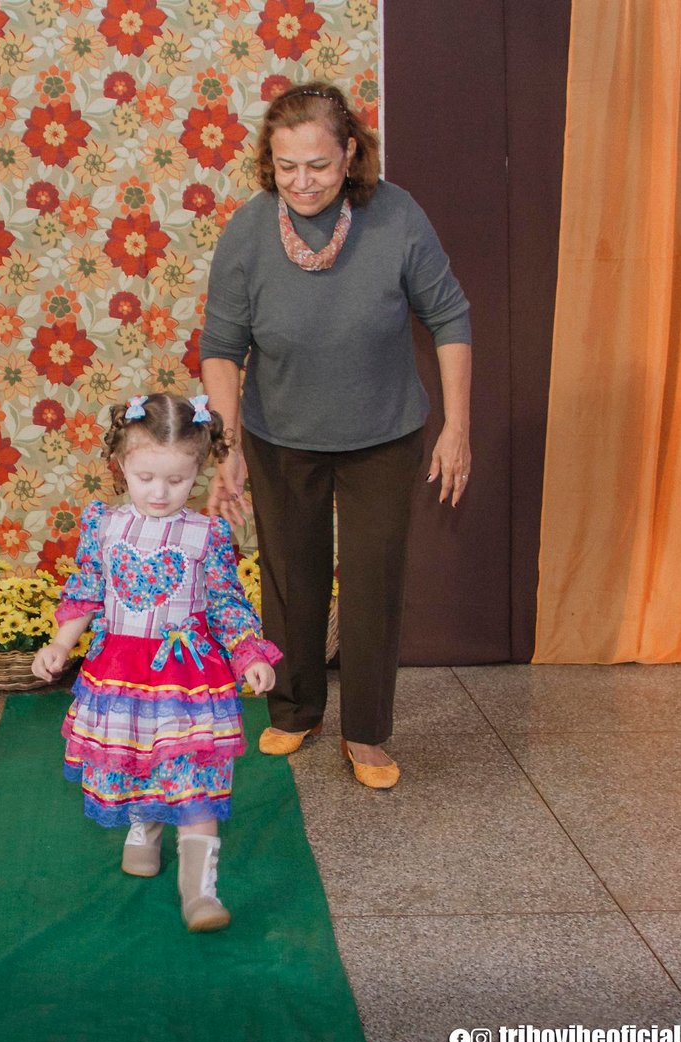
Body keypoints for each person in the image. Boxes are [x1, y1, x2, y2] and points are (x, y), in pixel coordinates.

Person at [200, 81, 472, 790]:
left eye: (318, 164)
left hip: (384, 434)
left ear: (350, 154)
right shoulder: (248, 230)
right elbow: (222, 347)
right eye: (287, 165)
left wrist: (457, 427)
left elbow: (450, 317)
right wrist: (227, 445)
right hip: (280, 435)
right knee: (292, 575)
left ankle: (368, 732)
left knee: (374, 581)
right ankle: (296, 708)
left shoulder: (397, 215)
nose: (302, 181)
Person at [31, 393, 281, 932]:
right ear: (121, 465)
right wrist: (61, 644)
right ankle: (143, 829)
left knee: (192, 778)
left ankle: (200, 893)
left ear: (199, 471)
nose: (160, 492)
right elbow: (87, 591)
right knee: (139, 761)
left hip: (188, 678)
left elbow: (226, 602)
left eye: (177, 480)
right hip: (120, 675)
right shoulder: (104, 525)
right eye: (146, 477)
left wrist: (248, 654)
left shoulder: (207, 534)